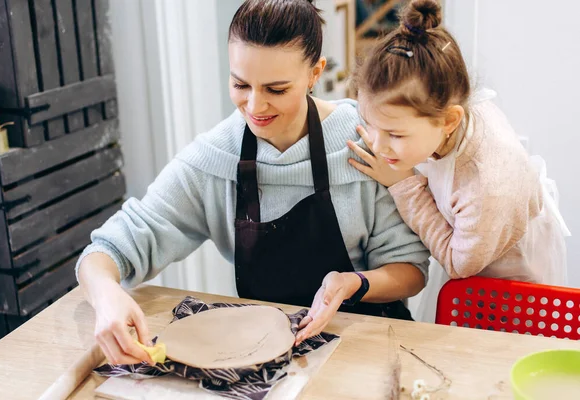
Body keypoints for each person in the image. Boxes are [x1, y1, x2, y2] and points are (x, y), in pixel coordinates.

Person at [76, 0, 430, 366]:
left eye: (276, 89)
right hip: (270, 363)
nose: (255, 106)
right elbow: (109, 250)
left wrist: (353, 283)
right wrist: (106, 295)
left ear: (314, 73)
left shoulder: (365, 140)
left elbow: (411, 270)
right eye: (240, 84)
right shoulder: (214, 159)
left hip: (369, 351)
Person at [348, 0, 570, 322]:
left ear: (450, 120)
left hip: (510, 287)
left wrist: (402, 183)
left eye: (395, 134)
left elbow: (457, 262)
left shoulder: (487, 184)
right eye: (369, 122)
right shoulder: (440, 108)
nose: (378, 145)